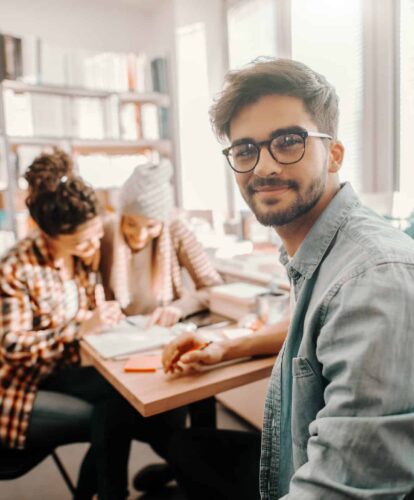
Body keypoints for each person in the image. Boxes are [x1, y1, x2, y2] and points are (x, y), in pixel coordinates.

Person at [167, 58, 414, 499]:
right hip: (294, 460)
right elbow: (313, 329)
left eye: (287, 142)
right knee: (185, 447)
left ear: (334, 152)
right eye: (245, 150)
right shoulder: (325, 251)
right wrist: (226, 347)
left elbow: (344, 490)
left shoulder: (373, 277)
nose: (263, 168)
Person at [0, 150, 136, 499]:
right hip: (17, 392)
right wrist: (79, 328)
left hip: (59, 373)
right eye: (84, 240)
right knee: (112, 419)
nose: (93, 246)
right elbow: (11, 347)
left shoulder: (77, 259)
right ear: (52, 234)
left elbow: (86, 312)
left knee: (123, 394)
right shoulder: (16, 268)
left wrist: (102, 316)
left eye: (95, 235)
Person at [100, 159, 223, 327]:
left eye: (151, 226)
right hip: (119, 329)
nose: (140, 235)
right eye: (131, 224)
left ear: (163, 222)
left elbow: (214, 288)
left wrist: (178, 308)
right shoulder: (106, 233)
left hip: (166, 328)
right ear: (121, 217)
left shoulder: (176, 231)